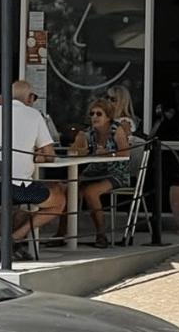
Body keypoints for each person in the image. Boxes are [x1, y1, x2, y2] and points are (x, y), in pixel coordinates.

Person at [0, 80, 66, 260]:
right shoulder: (34, 115)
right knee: (58, 199)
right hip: (15, 189)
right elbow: (50, 155)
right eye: (33, 97)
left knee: (9, 204)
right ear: (29, 97)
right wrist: (38, 154)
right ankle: (14, 239)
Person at [75, 97, 130, 248]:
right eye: (92, 114)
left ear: (108, 117)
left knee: (91, 192)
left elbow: (126, 154)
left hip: (115, 173)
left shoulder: (115, 130)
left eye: (99, 114)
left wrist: (109, 154)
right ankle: (62, 234)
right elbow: (80, 151)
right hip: (94, 172)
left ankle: (101, 235)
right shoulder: (90, 133)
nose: (94, 117)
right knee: (69, 189)